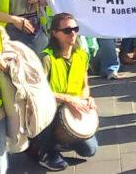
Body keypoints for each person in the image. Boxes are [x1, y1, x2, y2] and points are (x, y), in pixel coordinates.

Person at [35, 13, 98, 171]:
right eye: (67, 30)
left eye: (75, 29)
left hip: (71, 109)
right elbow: (36, 92)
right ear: (54, 33)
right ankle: (44, 149)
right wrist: (67, 99)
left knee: (90, 150)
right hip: (50, 110)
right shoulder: (47, 58)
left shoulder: (82, 55)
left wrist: (87, 99)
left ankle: (59, 142)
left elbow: (85, 86)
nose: (73, 33)